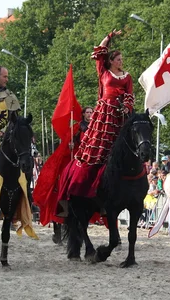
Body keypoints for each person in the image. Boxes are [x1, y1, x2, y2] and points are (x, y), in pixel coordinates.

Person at [57, 29, 134, 216]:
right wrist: (108, 37)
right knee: (93, 148)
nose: (120, 62)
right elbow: (99, 50)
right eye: (117, 59)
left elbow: (130, 96)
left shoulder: (127, 77)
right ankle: (80, 183)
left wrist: (125, 106)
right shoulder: (103, 72)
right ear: (110, 61)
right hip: (102, 115)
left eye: (121, 59)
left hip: (117, 116)